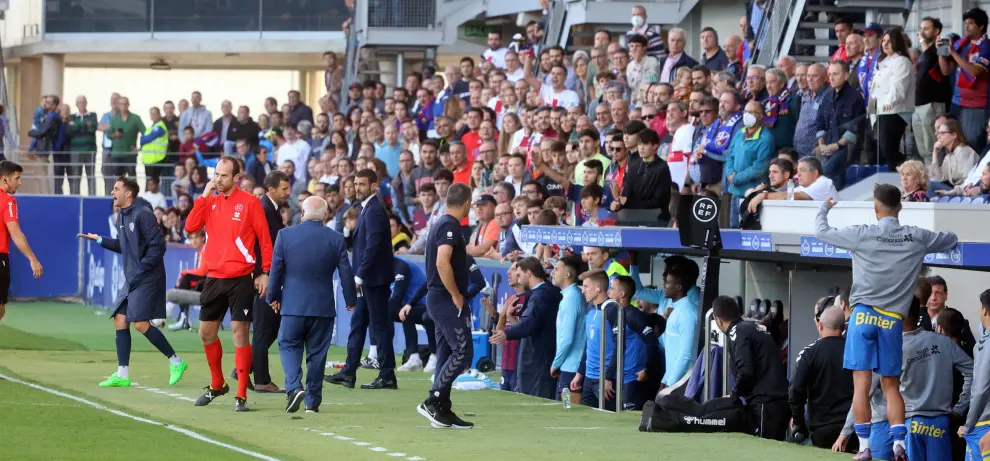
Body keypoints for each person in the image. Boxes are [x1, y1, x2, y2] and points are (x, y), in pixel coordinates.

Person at [815, 184, 958, 460]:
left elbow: (821, 232)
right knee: (891, 385)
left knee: (862, 386)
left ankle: (865, 447)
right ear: (900, 207)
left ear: (875, 208)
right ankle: (898, 443)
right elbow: (949, 238)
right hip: (892, 320)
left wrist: (825, 208)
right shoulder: (917, 236)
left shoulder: (862, 233)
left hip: (863, 315)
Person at [78, 177, 187, 388]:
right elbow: (123, 245)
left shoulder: (143, 215)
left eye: (116, 189)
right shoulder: (121, 215)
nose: (112, 192)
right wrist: (99, 239)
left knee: (140, 323)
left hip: (148, 276)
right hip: (134, 277)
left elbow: (158, 247)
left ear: (128, 193)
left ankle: (176, 362)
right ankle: (122, 374)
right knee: (120, 319)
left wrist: (141, 268)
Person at [184, 156, 274, 412]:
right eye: (216, 174)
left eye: (224, 175)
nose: (218, 179)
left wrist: (265, 272)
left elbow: (265, 240)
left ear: (237, 177)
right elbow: (191, 226)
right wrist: (203, 195)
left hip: (241, 278)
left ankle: (241, 394)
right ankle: (217, 384)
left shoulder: (250, 202)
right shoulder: (210, 201)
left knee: (239, 333)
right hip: (214, 277)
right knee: (205, 332)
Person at [268, 196, 357, 414]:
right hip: (323, 307)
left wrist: (273, 297)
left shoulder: (285, 235)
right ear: (326, 214)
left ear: (302, 210)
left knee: (288, 345)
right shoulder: (335, 239)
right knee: (317, 355)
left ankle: (293, 387)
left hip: (293, 305)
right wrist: (350, 300)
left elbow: (276, 270)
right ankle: (312, 402)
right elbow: (346, 272)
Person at [326, 169, 397, 390]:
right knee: (359, 324)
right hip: (370, 280)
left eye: (362, 184)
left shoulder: (374, 210)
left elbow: (373, 246)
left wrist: (359, 275)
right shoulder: (365, 208)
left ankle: (387, 375)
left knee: (379, 327)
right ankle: (349, 372)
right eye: (355, 183)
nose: (357, 188)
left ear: (374, 186)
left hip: (374, 280)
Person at [416, 182, 475, 429]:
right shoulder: (449, 225)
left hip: (438, 298)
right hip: (444, 298)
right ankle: (433, 400)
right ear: (467, 203)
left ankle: (442, 408)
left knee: (446, 352)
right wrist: (456, 295)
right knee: (463, 352)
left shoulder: (440, 223)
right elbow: (442, 263)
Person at [231, 171, 291, 394]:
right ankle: (261, 379)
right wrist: (260, 273)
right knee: (266, 328)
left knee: (270, 327)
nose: (288, 192)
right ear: (271, 189)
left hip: (266, 275)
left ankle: (243, 369)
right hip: (262, 278)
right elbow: (257, 244)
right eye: (284, 189)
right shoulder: (264, 209)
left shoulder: (270, 209)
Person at [898, 296, 973, 461]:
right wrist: (959, 409)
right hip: (939, 422)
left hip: (910, 421)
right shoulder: (943, 342)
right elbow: (973, 371)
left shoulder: (895, 346)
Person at [713, 295, 789, 440]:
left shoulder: (738, 332)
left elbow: (746, 370)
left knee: (763, 450)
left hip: (765, 403)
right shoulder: (752, 327)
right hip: (776, 400)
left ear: (718, 319)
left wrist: (733, 395)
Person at [491, 256, 562, 400]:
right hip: (541, 356)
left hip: (539, 358)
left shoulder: (541, 295)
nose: (518, 279)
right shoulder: (545, 292)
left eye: (519, 274)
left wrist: (506, 333)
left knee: (536, 400)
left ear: (528, 273)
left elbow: (530, 324)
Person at [789, 305, 854, 449]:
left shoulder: (810, 353)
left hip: (821, 428)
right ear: (843, 327)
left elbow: (796, 390)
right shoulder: (855, 351)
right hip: (851, 428)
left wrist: (799, 423)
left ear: (820, 325)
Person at [0, 161, 42, 323]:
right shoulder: (7, 201)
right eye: (16, 178)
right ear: (5, 179)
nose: (20, 182)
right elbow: (16, 233)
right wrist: (32, 259)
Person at [550, 255, 585, 403]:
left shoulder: (572, 298)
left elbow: (567, 338)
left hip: (571, 368)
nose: (552, 272)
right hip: (569, 366)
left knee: (568, 409)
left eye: (556, 269)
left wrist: (555, 364)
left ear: (568, 274)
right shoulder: (569, 296)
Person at [960, 289, 990, 458]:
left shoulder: (986, 343)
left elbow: (981, 388)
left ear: (984, 310)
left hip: (984, 424)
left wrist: (968, 425)